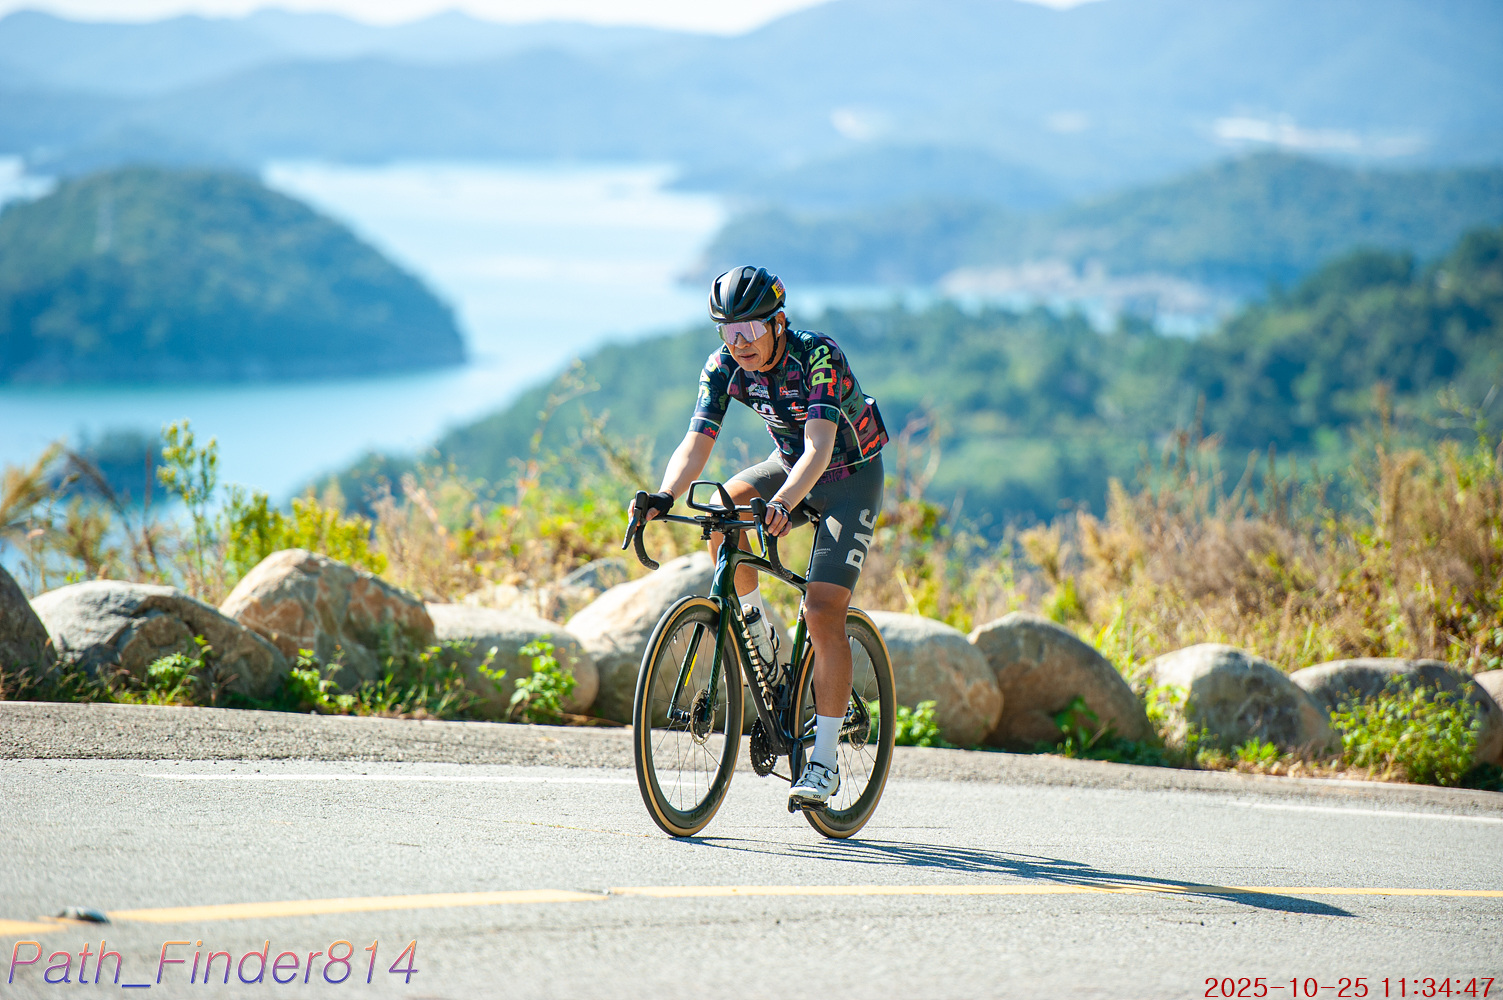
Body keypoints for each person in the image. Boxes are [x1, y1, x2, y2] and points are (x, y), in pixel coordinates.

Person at [630, 265, 888, 809]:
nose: (740, 342)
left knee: (822, 612)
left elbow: (819, 447)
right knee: (721, 514)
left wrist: (785, 504)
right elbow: (697, 441)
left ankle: (823, 763)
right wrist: (664, 495)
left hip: (849, 478)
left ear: (778, 323)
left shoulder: (817, 356)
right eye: (728, 331)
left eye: (750, 329)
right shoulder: (723, 365)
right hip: (789, 466)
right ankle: (760, 637)